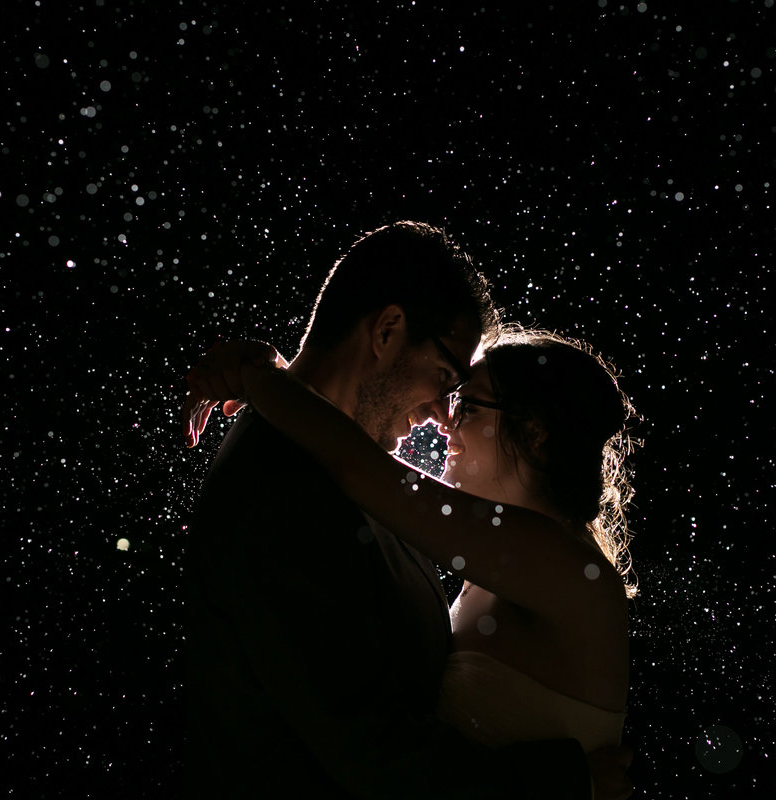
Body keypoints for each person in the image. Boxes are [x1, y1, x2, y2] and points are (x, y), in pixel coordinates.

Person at [181, 221, 633, 799]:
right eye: (447, 382)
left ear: (537, 436)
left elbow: (364, 474)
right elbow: (372, 751)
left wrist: (261, 377)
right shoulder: (286, 482)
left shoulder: (528, 555)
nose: (443, 419)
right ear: (389, 330)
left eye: (464, 402)